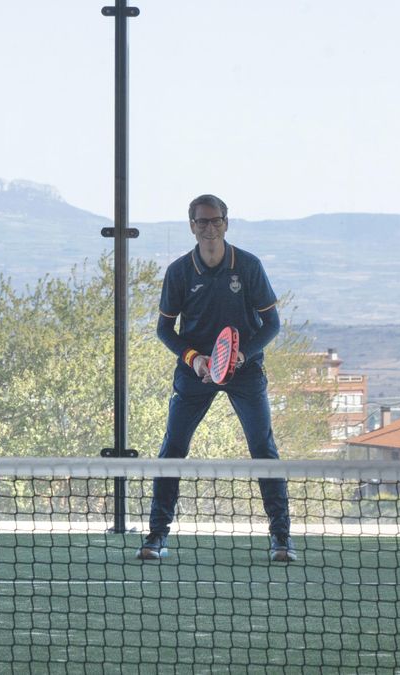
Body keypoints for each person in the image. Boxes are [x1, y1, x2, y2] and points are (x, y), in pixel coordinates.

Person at [137, 194, 296, 563]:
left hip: (245, 371)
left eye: (216, 221)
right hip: (196, 373)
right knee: (172, 451)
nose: (210, 228)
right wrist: (195, 360)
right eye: (202, 222)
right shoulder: (179, 271)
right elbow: (165, 330)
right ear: (192, 226)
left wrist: (241, 355)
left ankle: (282, 539)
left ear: (226, 222)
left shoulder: (249, 266)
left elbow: (271, 325)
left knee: (263, 451)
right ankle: (156, 537)